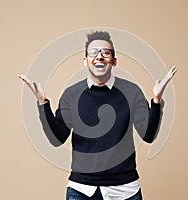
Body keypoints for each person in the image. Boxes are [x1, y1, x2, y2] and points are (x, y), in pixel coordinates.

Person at [18, 31, 177, 200]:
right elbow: (57, 139)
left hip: (125, 190)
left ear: (114, 61)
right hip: (81, 190)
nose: (99, 57)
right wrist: (43, 103)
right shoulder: (71, 94)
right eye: (93, 53)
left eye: (105, 53)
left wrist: (157, 101)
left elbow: (148, 136)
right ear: (85, 60)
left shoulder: (131, 92)